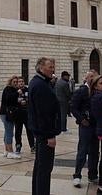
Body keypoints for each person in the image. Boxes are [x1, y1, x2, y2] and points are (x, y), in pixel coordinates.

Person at [29, 57, 61, 195]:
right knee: (45, 169)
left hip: (39, 132)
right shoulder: (41, 85)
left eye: (53, 67)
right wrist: (50, 135)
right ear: (41, 68)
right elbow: (44, 114)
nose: (52, 69)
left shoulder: (38, 82)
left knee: (40, 167)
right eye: (50, 67)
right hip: (44, 133)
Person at [71, 69, 99, 188]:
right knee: (82, 150)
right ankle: (77, 175)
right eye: (90, 77)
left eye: (94, 77)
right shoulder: (81, 91)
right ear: (86, 78)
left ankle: (92, 175)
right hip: (85, 126)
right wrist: (82, 119)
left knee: (95, 151)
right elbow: (73, 107)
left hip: (96, 126)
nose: (92, 79)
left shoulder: (97, 91)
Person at [0, 76, 21, 159]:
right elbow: (8, 99)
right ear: (10, 82)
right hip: (7, 114)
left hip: (6, 113)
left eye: (17, 82)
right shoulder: (8, 89)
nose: (16, 83)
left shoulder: (12, 89)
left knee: (7, 132)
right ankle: (10, 151)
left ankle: (6, 150)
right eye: (14, 82)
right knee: (9, 132)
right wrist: (17, 93)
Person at [14, 76, 35, 154]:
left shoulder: (27, 90)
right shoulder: (15, 90)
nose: (21, 83)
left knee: (29, 130)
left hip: (27, 113)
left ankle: (32, 146)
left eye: (22, 81)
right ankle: (18, 146)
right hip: (18, 114)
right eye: (19, 82)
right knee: (18, 131)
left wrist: (27, 101)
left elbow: (31, 99)